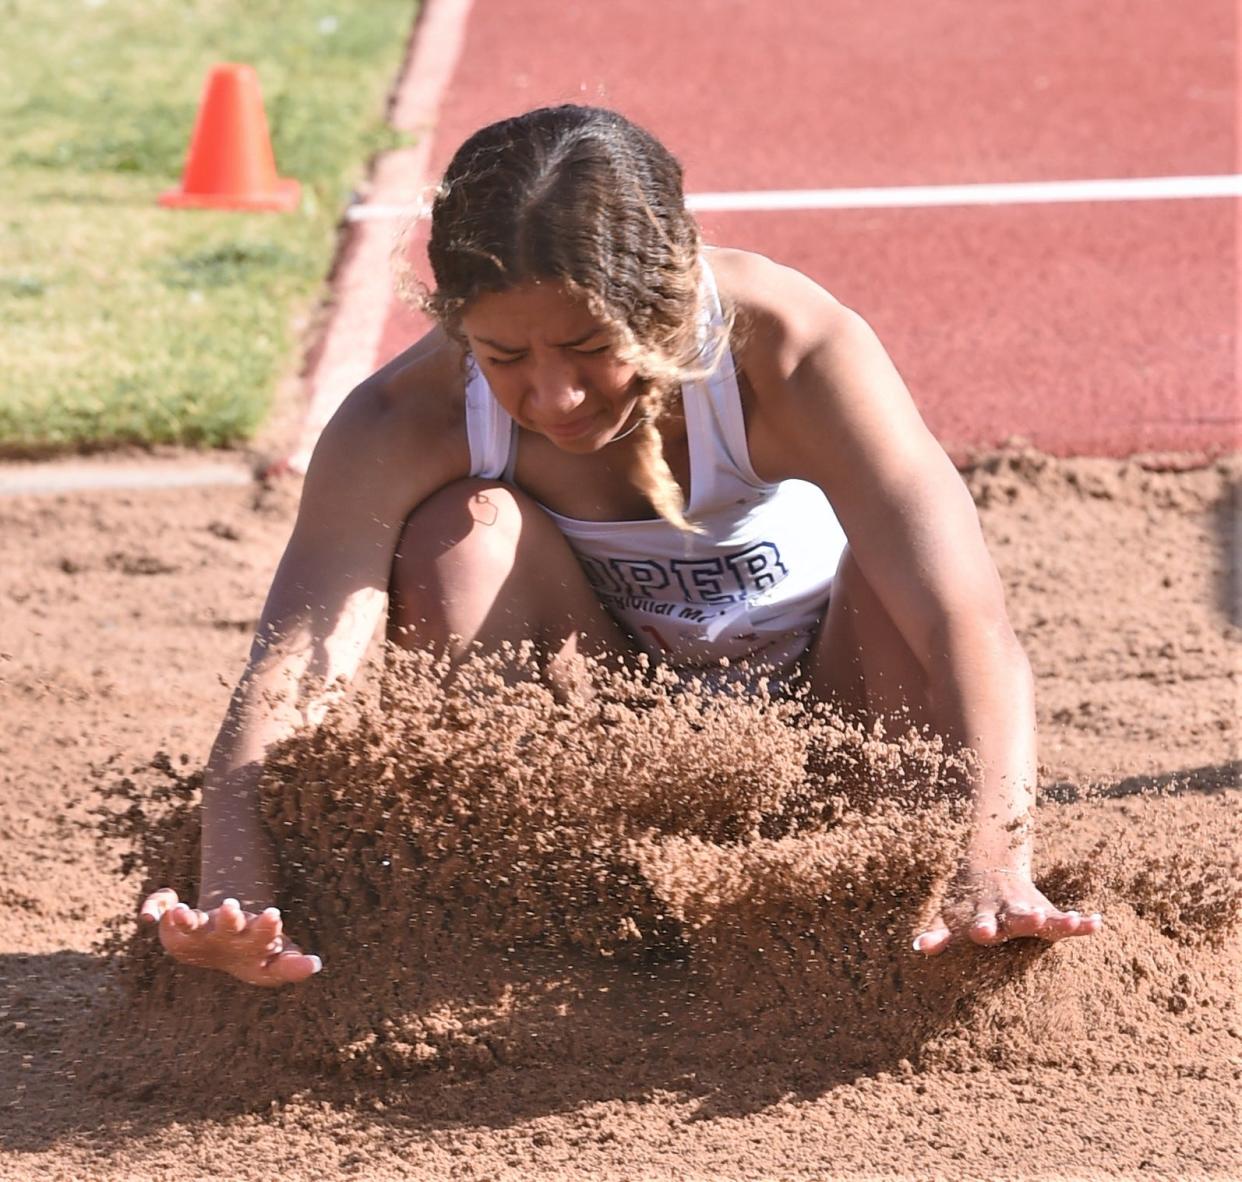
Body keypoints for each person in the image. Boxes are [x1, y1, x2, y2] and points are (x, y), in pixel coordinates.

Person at [138, 105, 1102, 987]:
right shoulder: (403, 416)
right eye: (503, 357)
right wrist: (238, 886)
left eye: (593, 346)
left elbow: (964, 622)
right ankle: (556, 917)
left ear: (673, 293)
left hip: (839, 744)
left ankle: (898, 898)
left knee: (901, 584)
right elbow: (296, 671)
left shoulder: (796, 351)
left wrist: (995, 862)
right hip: (610, 779)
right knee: (460, 538)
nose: (554, 398)